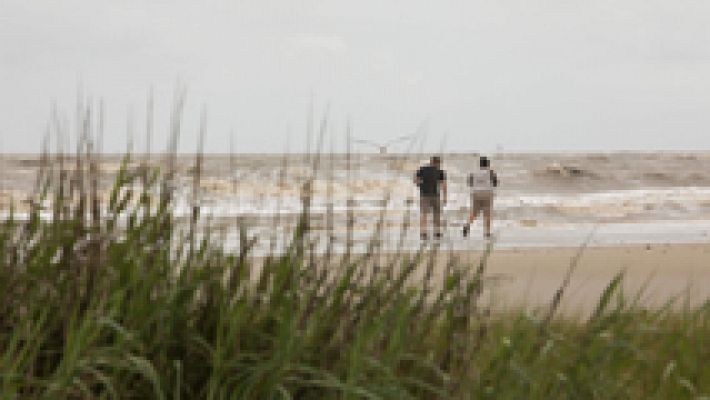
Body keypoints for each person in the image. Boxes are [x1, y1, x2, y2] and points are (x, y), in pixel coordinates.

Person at [463, 156, 498, 239]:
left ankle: (467, 225)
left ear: (480, 164)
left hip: (476, 194)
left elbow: (469, 183)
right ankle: (487, 232)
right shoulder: (490, 172)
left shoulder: (473, 172)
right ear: (487, 164)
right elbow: (495, 183)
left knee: (474, 213)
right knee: (487, 214)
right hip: (487, 193)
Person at [414, 156, 447, 240]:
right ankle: (437, 232)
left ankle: (423, 233)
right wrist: (445, 197)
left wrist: (421, 186)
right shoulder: (440, 172)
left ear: (431, 161)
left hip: (424, 195)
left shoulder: (422, 169)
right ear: (438, 163)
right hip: (435, 195)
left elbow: (415, 180)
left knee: (424, 214)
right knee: (436, 214)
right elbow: (444, 185)